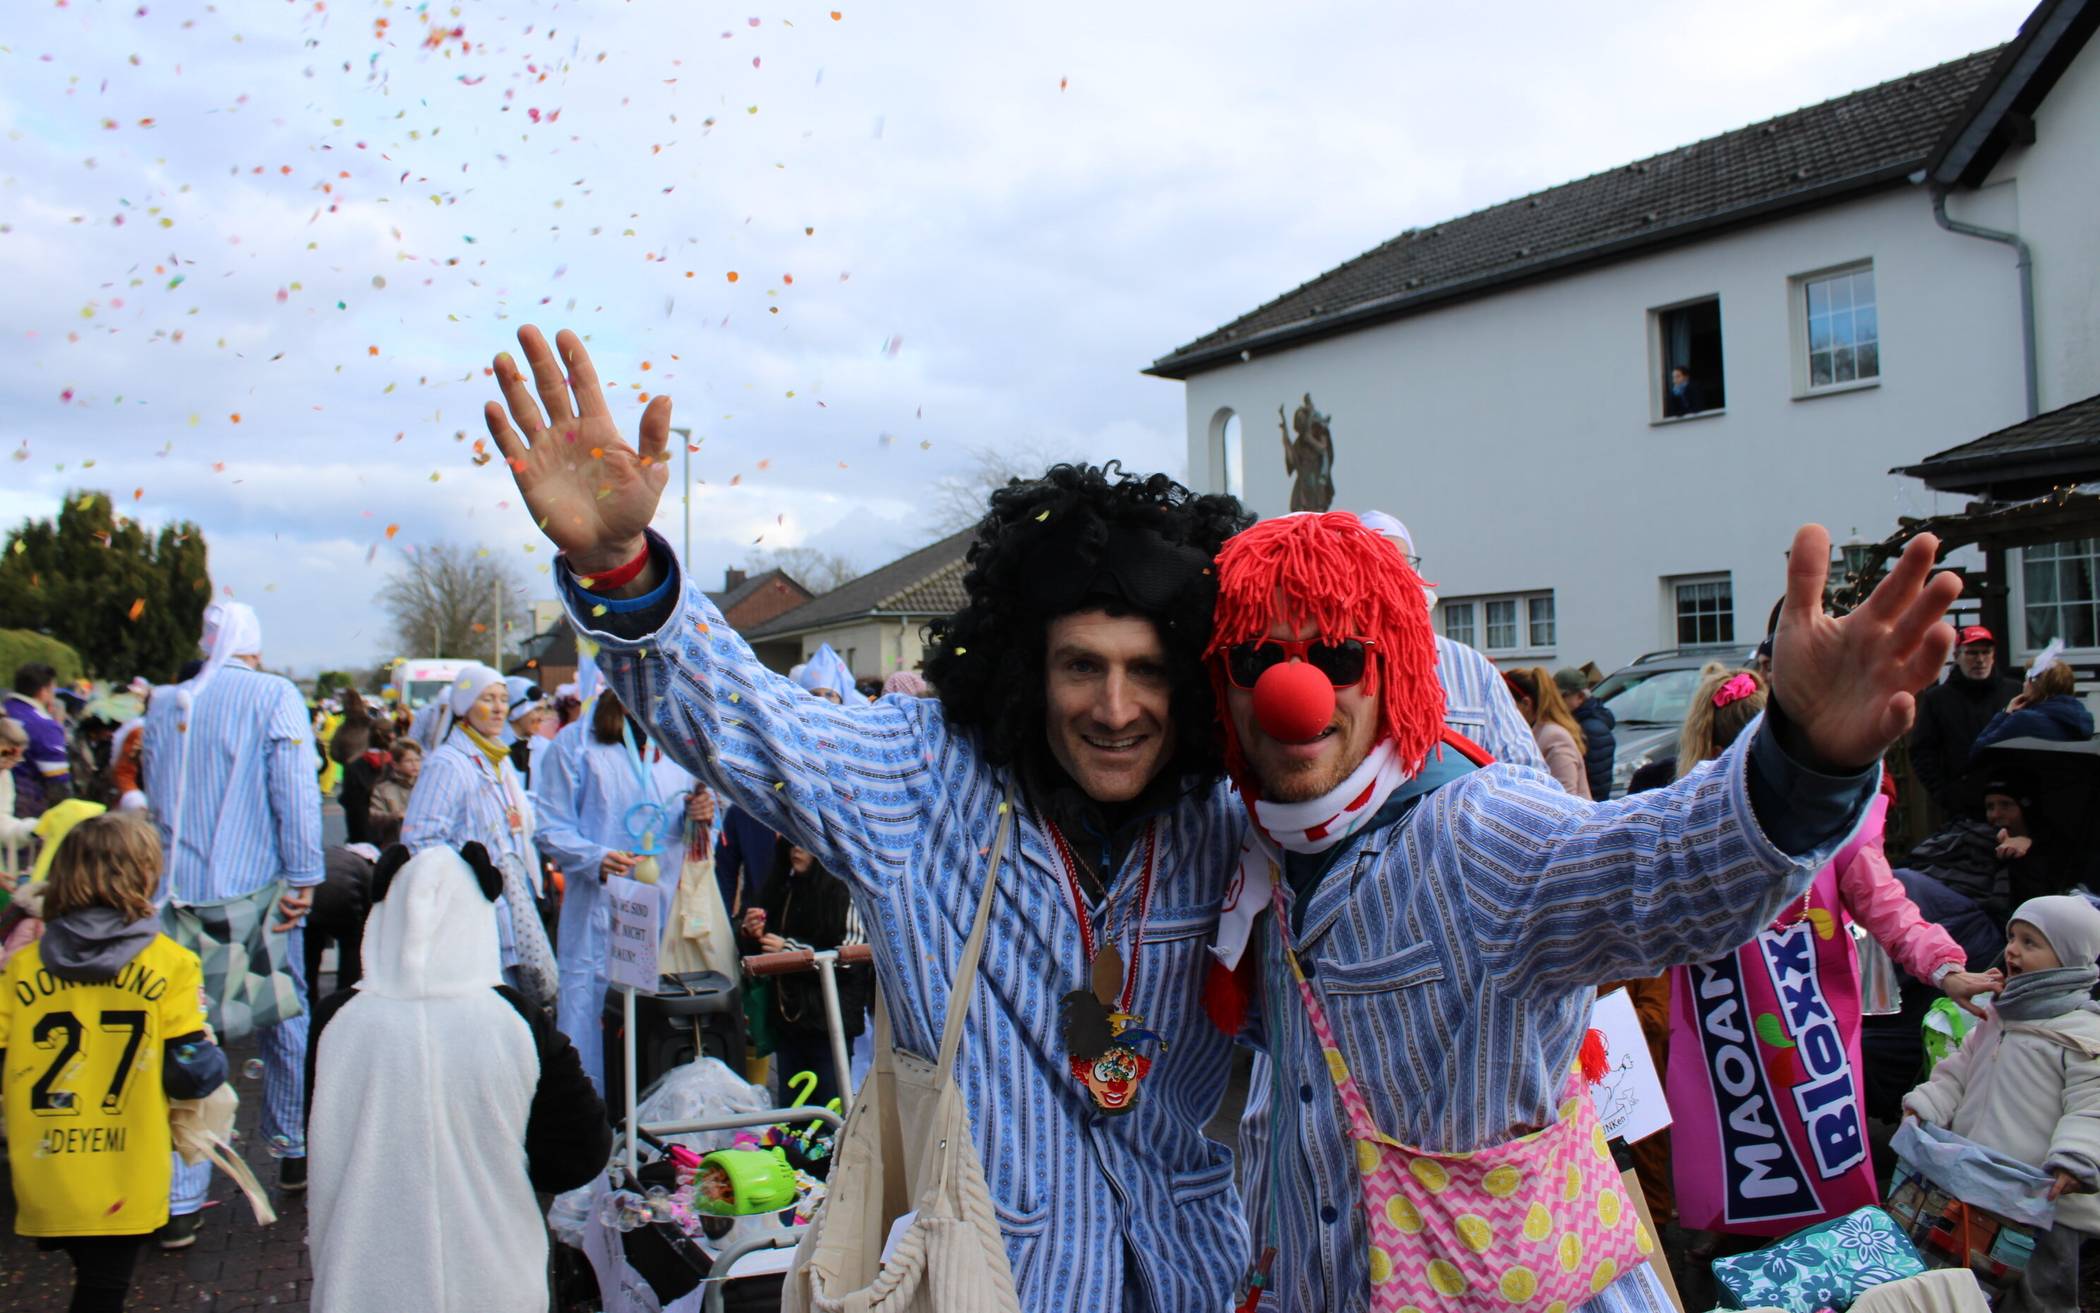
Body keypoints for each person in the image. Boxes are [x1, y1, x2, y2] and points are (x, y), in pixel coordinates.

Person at [486, 323, 1253, 1311]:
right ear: (1029, 668)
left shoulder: (1224, 818)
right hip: (991, 1282)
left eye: (1146, 669)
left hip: (1197, 1278)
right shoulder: (926, 782)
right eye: (1081, 666)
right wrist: (624, 572)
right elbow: (751, 726)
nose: (1115, 707)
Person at [1201, 511, 1956, 1312]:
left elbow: (1660, 865)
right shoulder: (1259, 853)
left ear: (1392, 668)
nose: (1294, 692)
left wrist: (1801, 759)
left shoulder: (1474, 833)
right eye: (1257, 659)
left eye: (1339, 655)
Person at [1664, 665, 1996, 1237]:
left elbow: (1885, 903)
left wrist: (1945, 967)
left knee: (1750, 1162)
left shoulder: (1694, 817)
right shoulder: (1696, 817)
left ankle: (1745, 1249)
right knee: (1804, 1164)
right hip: (1798, 1029)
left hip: (1733, 1031)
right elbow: (1887, 905)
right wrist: (1946, 968)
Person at [305, 842, 609, 1313]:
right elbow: (581, 1153)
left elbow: (319, 1137)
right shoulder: (516, 1020)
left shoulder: (337, 1021)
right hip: (495, 1281)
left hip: (362, 1283)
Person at [140, 600, 322, 1238]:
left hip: (175, 894)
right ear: (255, 645)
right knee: (283, 1017)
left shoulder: (166, 701)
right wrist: (304, 874)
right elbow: (295, 788)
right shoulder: (273, 695)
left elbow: (153, 789)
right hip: (254, 890)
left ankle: (181, 1193)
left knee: (184, 1033)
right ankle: (291, 1144)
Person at [0, 812, 228, 1313]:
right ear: (144, 875)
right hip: (127, 1166)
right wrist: (211, 1053)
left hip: (46, 1163)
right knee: (103, 1291)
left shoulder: (21, 967)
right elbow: (190, 1075)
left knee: (94, 1281)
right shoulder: (170, 963)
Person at [1902, 894, 2100, 1313]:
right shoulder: (2000, 1015)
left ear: (2068, 958)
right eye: (2012, 937)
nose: (2012, 950)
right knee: (1968, 1285)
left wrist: (2077, 1158)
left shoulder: (2083, 1033)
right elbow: (1958, 1071)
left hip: (2044, 1199)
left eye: (2030, 942)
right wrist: (1928, 1104)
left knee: (2038, 1296)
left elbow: (2092, 1106)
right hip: (1980, 1182)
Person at [530, 689, 700, 1093]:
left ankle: (647, 1109)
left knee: (653, 1014)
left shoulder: (676, 741)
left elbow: (690, 818)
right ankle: (590, 1108)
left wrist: (702, 815)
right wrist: (594, 858)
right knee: (589, 1009)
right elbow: (549, 826)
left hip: (662, 907)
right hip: (600, 907)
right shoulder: (577, 743)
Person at [400, 664, 558, 1009]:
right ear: (465, 706)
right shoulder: (448, 763)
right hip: (471, 915)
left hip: (506, 904)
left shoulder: (497, 760)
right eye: (487, 699)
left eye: (503, 699)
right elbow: (421, 841)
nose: (499, 708)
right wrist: (469, 875)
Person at [1355, 511, 1543, 768]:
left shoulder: (1473, 670)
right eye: (1373, 563)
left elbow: (1526, 770)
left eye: (1400, 562)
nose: (1389, 578)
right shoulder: (1330, 664)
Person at [740, 840, 872, 1110]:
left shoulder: (845, 893)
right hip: (789, 1020)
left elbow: (851, 958)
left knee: (830, 1108)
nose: (797, 850)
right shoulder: (783, 888)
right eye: (792, 844)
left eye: (805, 844)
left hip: (830, 1023)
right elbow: (760, 951)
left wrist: (789, 951)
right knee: (792, 1114)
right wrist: (751, 934)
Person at [1909, 625, 2021, 816]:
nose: (1980, 660)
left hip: (2012, 800)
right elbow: (1922, 751)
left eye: (1986, 652)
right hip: (1962, 808)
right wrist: (1945, 794)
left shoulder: (2014, 692)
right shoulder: (1938, 699)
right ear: (1957, 655)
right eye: (1972, 653)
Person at [1969, 647, 2093, 759]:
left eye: (2026, 680)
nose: (2023, 685)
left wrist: (2005, 713)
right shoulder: (2083, 719)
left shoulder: (2023, 720)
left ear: (2035, 684)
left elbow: (1979, 751)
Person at [1503, 665, 1593, 799]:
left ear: (1526, 704)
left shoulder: (1554, 737)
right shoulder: (1535, 733)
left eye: (1508, 705)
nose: (1503, 712)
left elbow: (1566, 798)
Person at [6, 662, 73, 815]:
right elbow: (58, 783)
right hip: (24, 810)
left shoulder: (4, 711)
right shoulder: (44, 725)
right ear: (43, 692)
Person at [1557, 667, 1617, 800]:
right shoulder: (1589, 722)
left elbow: (1594, 783)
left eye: (1562, 696)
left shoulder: (1589, 730)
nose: (1557, 702)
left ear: (1580, 696)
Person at [0, 719, 38, 893]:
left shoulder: (4, 777)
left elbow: (2, 822)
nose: (8, 765)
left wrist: (32, 829)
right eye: (6, 755)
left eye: (15, 759)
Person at [365, 735, 420, 847]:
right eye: (408, 761)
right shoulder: (383, 788)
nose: (415, 764)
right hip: (394, 843)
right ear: (395, 765)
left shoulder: (425, 786)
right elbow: (373, 817)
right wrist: (394, 816)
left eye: (417, 760)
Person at [504, 677, 548, 788]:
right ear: (516, 712)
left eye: (544, 710)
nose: (542, 717)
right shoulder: (492, 747)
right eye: (537, 710)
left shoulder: (545, 748)